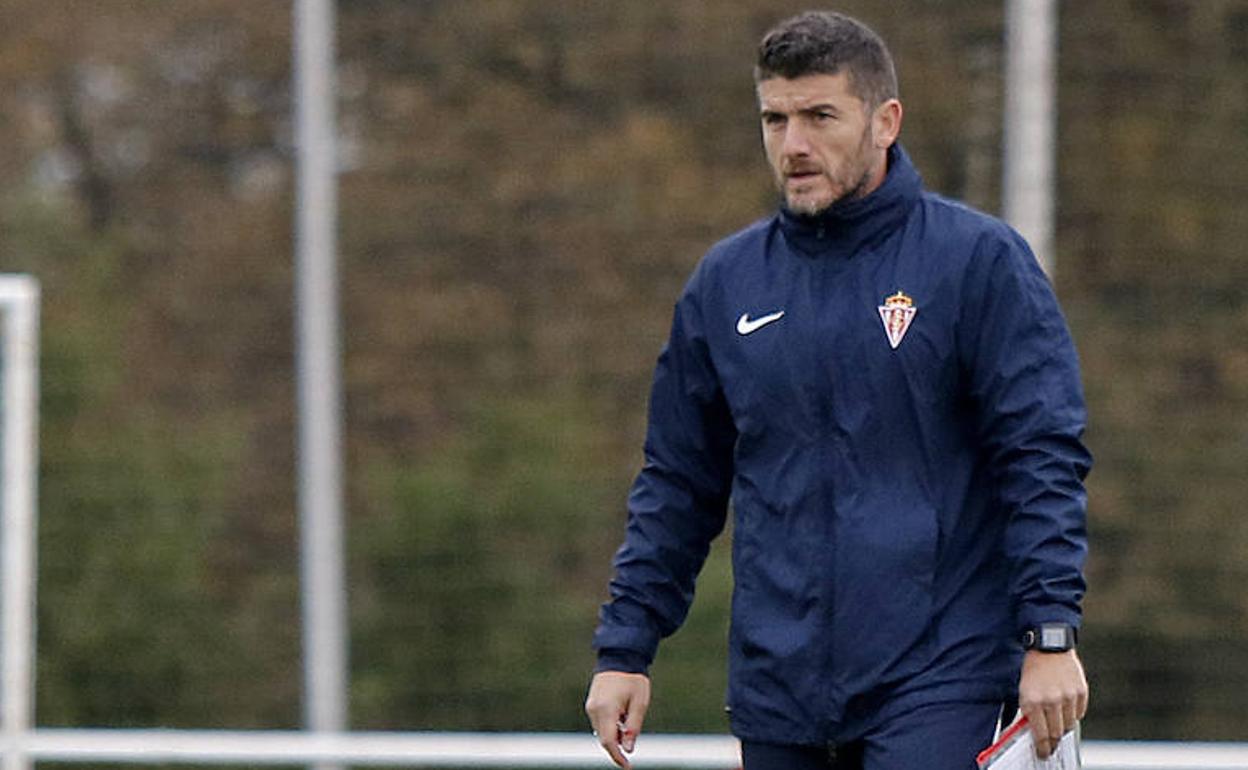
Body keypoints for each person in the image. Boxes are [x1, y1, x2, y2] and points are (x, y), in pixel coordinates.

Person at [585, 10, 1090, 770]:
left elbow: (1040, 455)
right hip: (777, 688)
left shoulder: (976, 262)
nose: (794, 145)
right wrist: (626, 646)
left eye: (820, 116)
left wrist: (1050, 633)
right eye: (775, 119)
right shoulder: (727, 283)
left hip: (940, 674)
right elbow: (678, 482)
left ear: (885, 121)